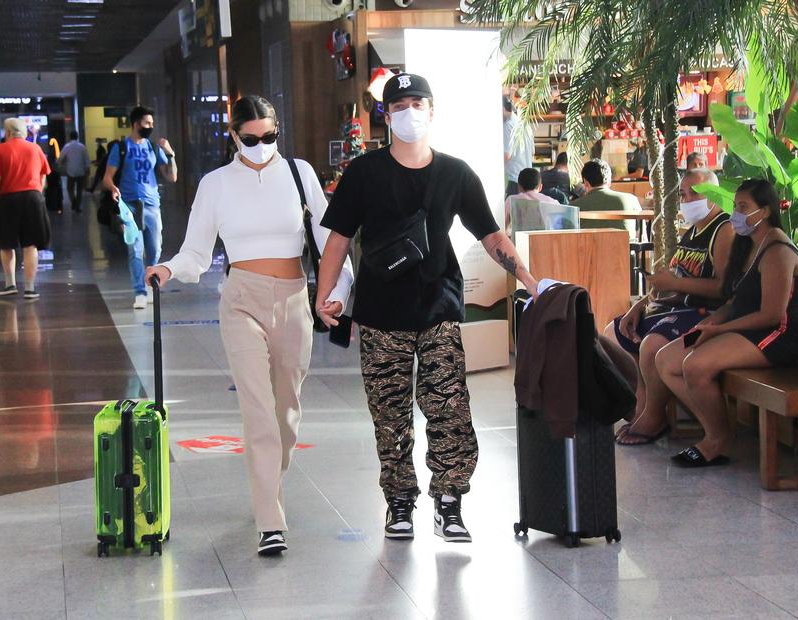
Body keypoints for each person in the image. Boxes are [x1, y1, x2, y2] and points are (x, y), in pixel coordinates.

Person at [315, 73, 542, 544]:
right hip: (380, 314)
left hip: (439, 308)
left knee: (449, 406)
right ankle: (399, 502)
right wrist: (324, 293)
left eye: (418, 102)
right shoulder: (364, 173)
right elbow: (338, 238)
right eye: (399, 104)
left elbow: (490, 233)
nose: (409, 111)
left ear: (432, 111)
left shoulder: (455, 173)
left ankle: (450, 501)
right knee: (389, 413)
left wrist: (528, 279)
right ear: (386, 114)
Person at [145, 95, 353, 556]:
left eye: (270, 136)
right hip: (241, 300)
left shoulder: (300, 175)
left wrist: (336, 292)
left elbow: (329, 240)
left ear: (278, 130)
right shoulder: (216, 184)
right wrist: (168, 268)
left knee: (286, 414)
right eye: (251, 138)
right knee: (258, 412)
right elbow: (197, 253)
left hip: (294, 296)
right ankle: (269, 520)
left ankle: (269, 488)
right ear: (234, 135)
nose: (261, 145)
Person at [655, 179, 798, 467]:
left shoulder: (777, 250)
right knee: (667, 360)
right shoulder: (747, 245)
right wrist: (711, 322)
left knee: (695, 365)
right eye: (735, 206)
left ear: (764, 211)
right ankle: (716, 428)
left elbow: (772, 315)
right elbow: (735, 302)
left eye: (743, 207)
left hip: (775, 335)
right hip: (743, 328)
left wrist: (719, 330)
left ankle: (716, 441)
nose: (736, 213)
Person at [606, 168, 734, 445]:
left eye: (695, 193)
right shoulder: (692, 232)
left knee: (651, 344)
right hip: (675, 307)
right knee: (612, 334)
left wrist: (677, 286)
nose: (688, 200)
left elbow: (723, 288)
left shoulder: (723, 230)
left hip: (707, 313)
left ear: (714, 195)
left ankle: (653, 414)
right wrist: (638, 306)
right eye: (683, 194)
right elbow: (669, 283)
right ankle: (641, 402)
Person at [102, 105, 178, 310]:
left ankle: (151, 284)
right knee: (135, 250)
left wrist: (170, 154)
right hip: (130, 207)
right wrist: (113, 188)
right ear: (136, 124)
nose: (150, 127)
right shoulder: (121, 148)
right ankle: (140, 292)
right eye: (147, 123)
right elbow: (107, 178)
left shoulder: (153, 148)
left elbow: (171, 177)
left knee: (155, 250)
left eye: (152, 124)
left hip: (153, 205)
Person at [0, 117, 52, 300]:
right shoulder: (35, 149)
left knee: (6, 243)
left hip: (8, 200)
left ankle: (10, 284)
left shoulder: (0, 150)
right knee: (30, 245)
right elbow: (44, 175)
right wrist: (37, 190)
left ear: (7, 132)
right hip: (33, 198)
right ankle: (30, 288)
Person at [570, 158, 640, 231]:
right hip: (625, 242)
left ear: (586, 183)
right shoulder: (631, 200)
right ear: (609, 180)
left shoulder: (573, 207)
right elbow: (640, 232)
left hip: (589, 242)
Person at [504, 167, 560, 235]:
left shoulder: (511, 200)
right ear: (540, 187)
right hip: (546, 242)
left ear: (519, 186)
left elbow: (503, 227)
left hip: (519, 243)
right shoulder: (553, 203)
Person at [503, 96, 534, 197]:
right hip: (527, 180)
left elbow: (506, 156)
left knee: (510, 211)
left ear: (502, 108)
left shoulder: (508, 125)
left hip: (514, 181)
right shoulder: (524, 124)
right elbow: (532, 152)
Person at [58, 131, 91, 213]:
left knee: (70, 188)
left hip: (70, 171)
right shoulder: (82, 147)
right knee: (79, 190)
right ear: (77, 137)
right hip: (81, 172)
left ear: (70, 137)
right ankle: (78, 206)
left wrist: (59, 164)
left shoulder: (67, 146)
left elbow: (61, 158)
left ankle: (73, 201)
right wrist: (88, 170)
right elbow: (86, 159)